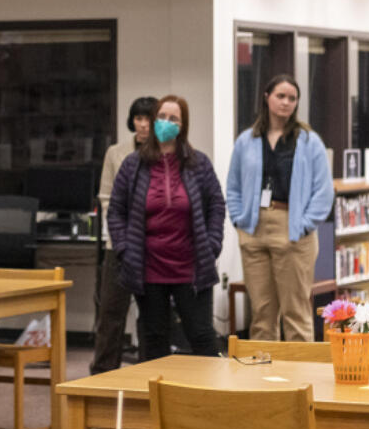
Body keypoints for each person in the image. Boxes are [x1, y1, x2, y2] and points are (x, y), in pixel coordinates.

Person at [107, 94, 225, 361]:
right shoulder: (133, 164)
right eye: (161, 117)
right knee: (154, 339)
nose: (166, 123)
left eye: (173, 118)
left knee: (202, 336)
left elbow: (217, 205)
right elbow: (116, 211)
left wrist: (214, 243)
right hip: (149, 268)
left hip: (190, 267)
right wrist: (125, 250)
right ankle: (157, 400)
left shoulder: (199, 163)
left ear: (183, 126)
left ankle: (212, 398)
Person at [227, 73, 333, 342]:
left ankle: (301, 379)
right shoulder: (247, 140)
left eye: (292, 98)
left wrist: (307, 223)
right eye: (280, 96)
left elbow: (324, 191)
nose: (286, 103)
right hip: (254, 227)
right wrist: (239, 220)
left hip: (293, 228)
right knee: (261, 314)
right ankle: (263, 380)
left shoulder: (309, 141)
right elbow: (234, 185)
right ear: (267, 98)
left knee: (295, 313)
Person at [90, 95, 157, 374]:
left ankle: (150, 373)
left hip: (154, 244)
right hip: (118, 243)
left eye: (149, 119)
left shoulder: (164, 152)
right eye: (139, 118)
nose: (143, 125)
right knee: (111, 312)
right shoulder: (116, 153)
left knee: (152, 314)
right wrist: (121, 234)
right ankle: (103, 373)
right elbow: (105, 198)